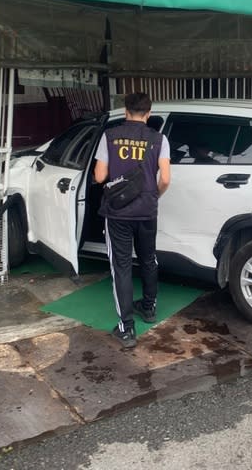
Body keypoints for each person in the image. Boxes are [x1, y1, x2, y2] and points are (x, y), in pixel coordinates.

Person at [94, 93, 171, 349]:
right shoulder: (159, 139)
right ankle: (149, 307)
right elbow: (166, 179)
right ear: (148, 114)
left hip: (118, 212)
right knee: (149, 259)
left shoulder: (109, 136)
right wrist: (153, 196)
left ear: (126, 111)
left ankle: (126, 329)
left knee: (122, 267)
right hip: (147, 210)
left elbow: (100, 175)